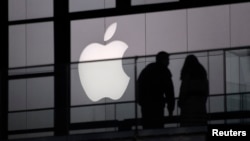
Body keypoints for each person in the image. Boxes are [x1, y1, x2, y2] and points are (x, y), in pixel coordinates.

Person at [137, 51, 175, 129]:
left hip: (146, 106)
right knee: (158, 129)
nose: (168, 62)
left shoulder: (146, 70)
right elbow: (169, 92)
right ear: (163, 60)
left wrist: (141, 101)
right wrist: (170, 109)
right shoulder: (164, 71)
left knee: (147, 129)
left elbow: (139, 86)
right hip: (158, 106)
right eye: (167, 60)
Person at [178, 55, 209, 126]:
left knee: (188, 128)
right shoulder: (202, 75)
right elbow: (206, 92)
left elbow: (184, 90)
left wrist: (181, 101)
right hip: (200, 106)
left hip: (188, 106)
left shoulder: (187, 74)